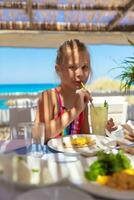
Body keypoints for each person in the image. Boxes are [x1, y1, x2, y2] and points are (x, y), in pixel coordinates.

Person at [35, 39, 116, 142]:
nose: (79, 73)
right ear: (58, 70)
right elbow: (39, 134)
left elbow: (86, 138)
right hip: (49, 156)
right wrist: (75, 110)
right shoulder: (49, 97)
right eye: (72, 67)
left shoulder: (82, 101)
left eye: (84, 67)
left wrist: (103, 134)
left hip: (75, 158)